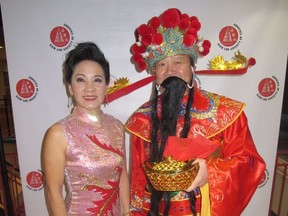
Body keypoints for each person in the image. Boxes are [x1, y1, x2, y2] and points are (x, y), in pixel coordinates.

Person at [125, 8, 266, 216]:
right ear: (154, 73)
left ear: (192, 67)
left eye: (178, 62)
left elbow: (251, 164)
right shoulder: (142, 120)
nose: (170, 70)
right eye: (162, 64)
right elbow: (138, 184)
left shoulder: (225, 113)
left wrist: (210, 172)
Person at [41, 42, 130, 215]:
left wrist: (127, 212)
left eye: (97, 80)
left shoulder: (117, 127)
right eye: (80, 80)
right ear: (70, 87)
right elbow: (53, 194)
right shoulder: (59, 133)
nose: (89, 88)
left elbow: (122, 176)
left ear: (106, 85)